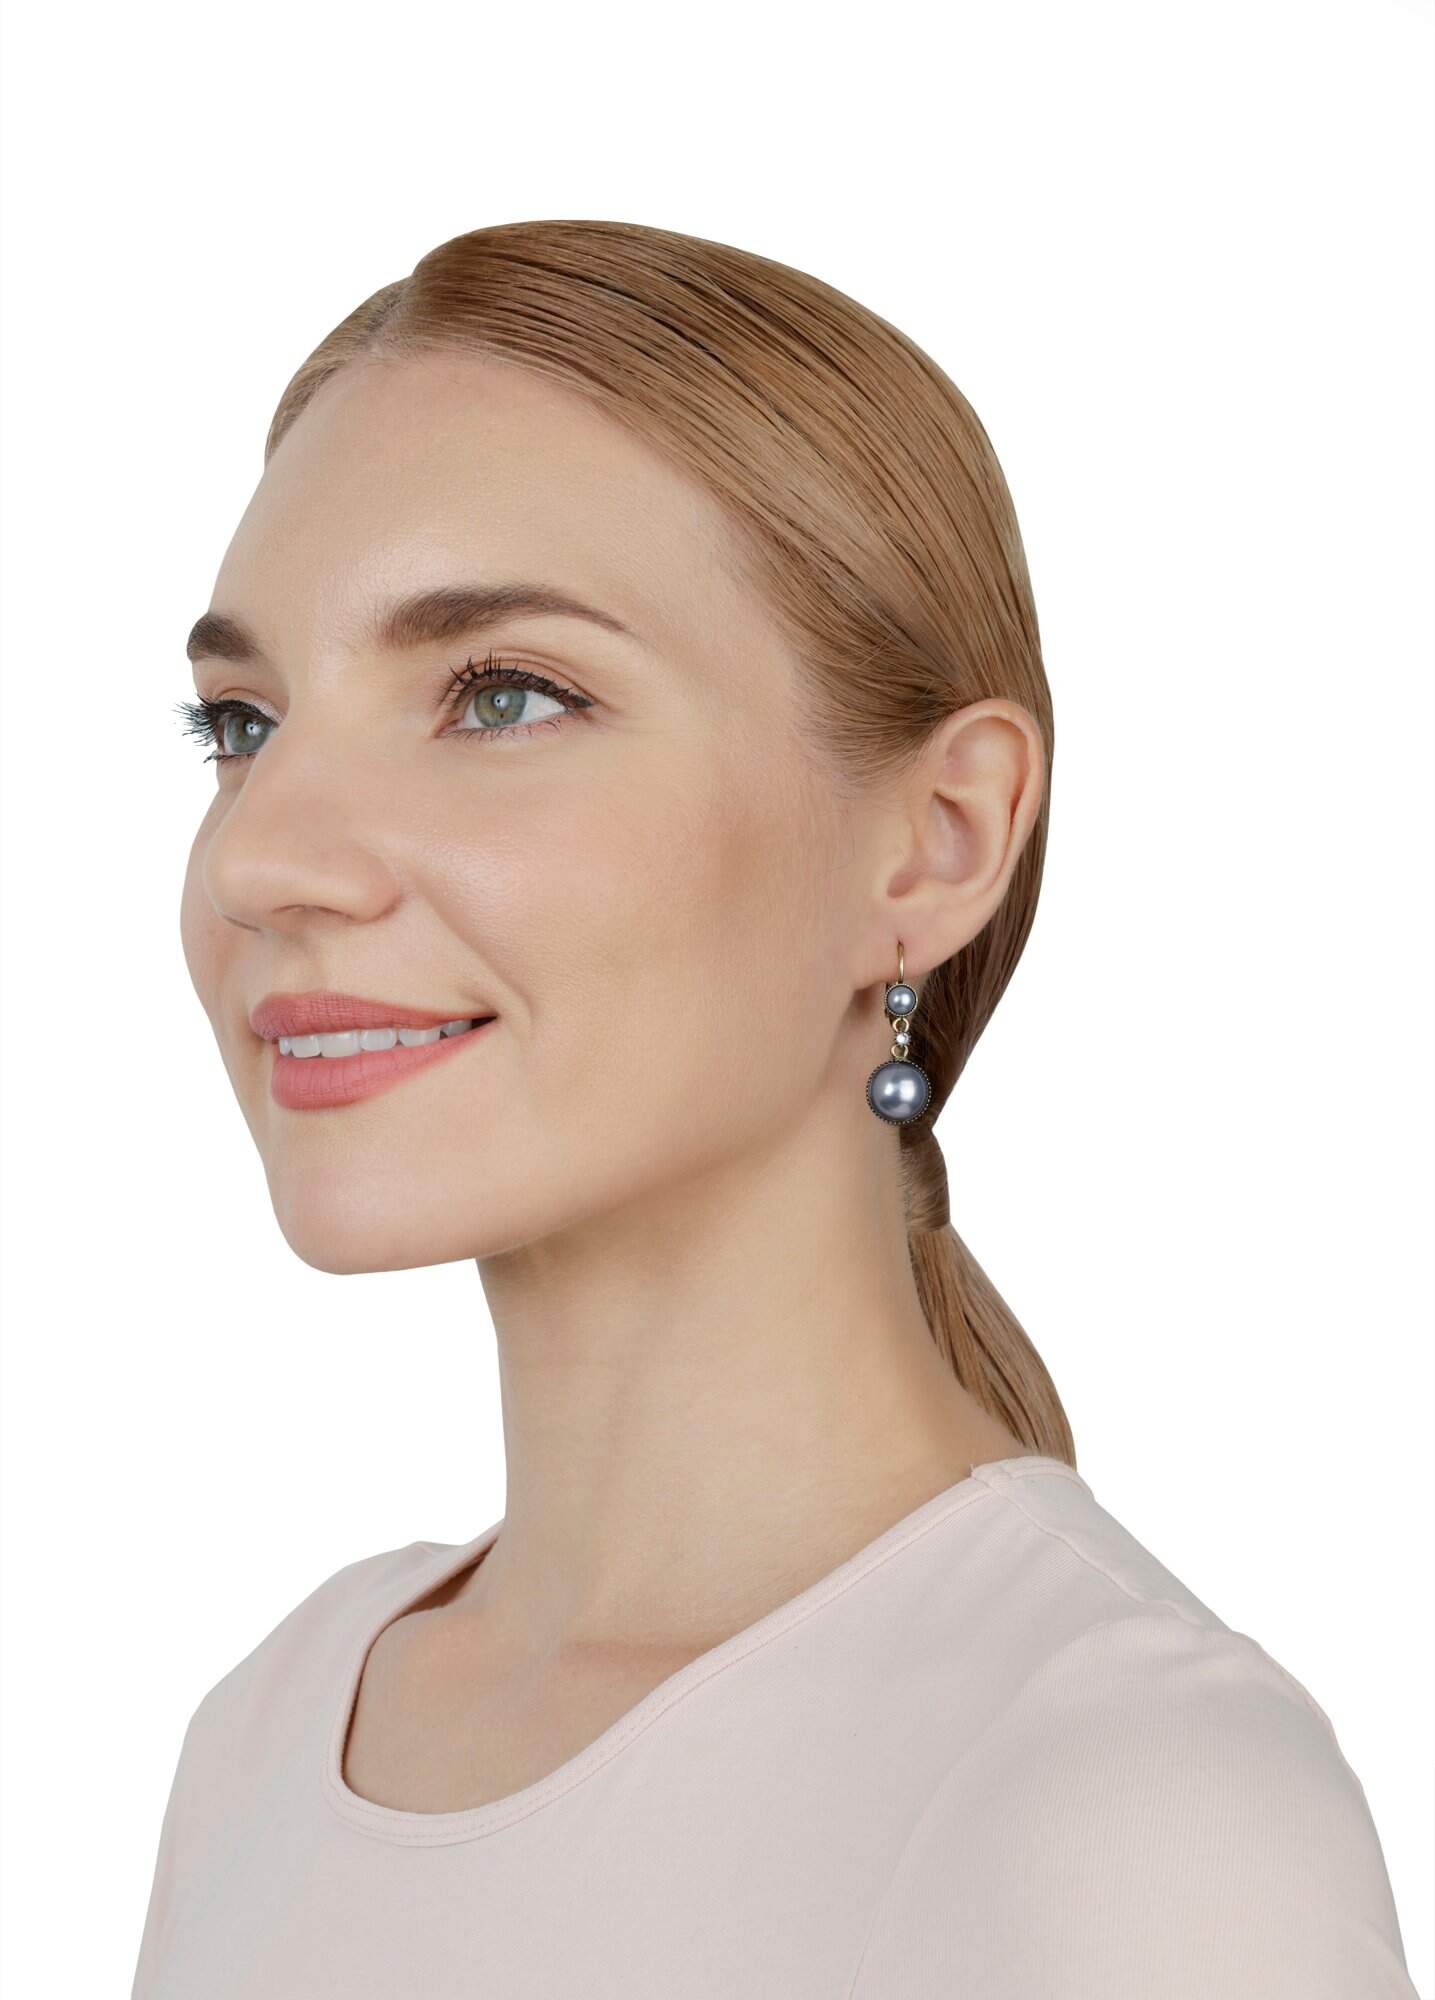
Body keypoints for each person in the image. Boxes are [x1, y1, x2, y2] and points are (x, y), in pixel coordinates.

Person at [132, 218, 1418, 1997]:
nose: (259, 859)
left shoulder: (1127, 1807)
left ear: (937, 840)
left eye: (503, 695)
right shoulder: (276, 1732)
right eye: (241, 726)